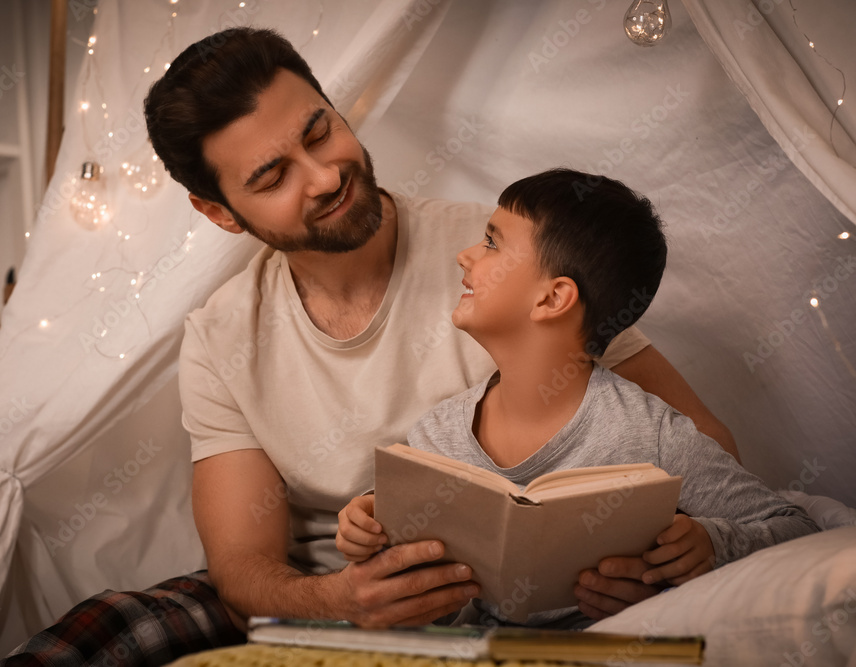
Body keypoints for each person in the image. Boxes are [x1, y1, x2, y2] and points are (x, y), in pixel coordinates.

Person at [0, 27, 740, 665]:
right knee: (100, 633)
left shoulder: (505, 257)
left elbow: (702, 443)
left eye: (319, 131)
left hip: (524, 605)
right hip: (317, 595)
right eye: (272, 175)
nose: (324, 176)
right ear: (219, 212)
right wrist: (339, 598)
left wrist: (654, 559)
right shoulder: (222, 334)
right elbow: (245, 567)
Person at [334, 169, 819, 629]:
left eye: (490, 242)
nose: (465, 255)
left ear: (551, 298)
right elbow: (425, 607)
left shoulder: (651, 434)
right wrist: (371, 530)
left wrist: (710, 545)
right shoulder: (436, 438)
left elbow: (796, 530)